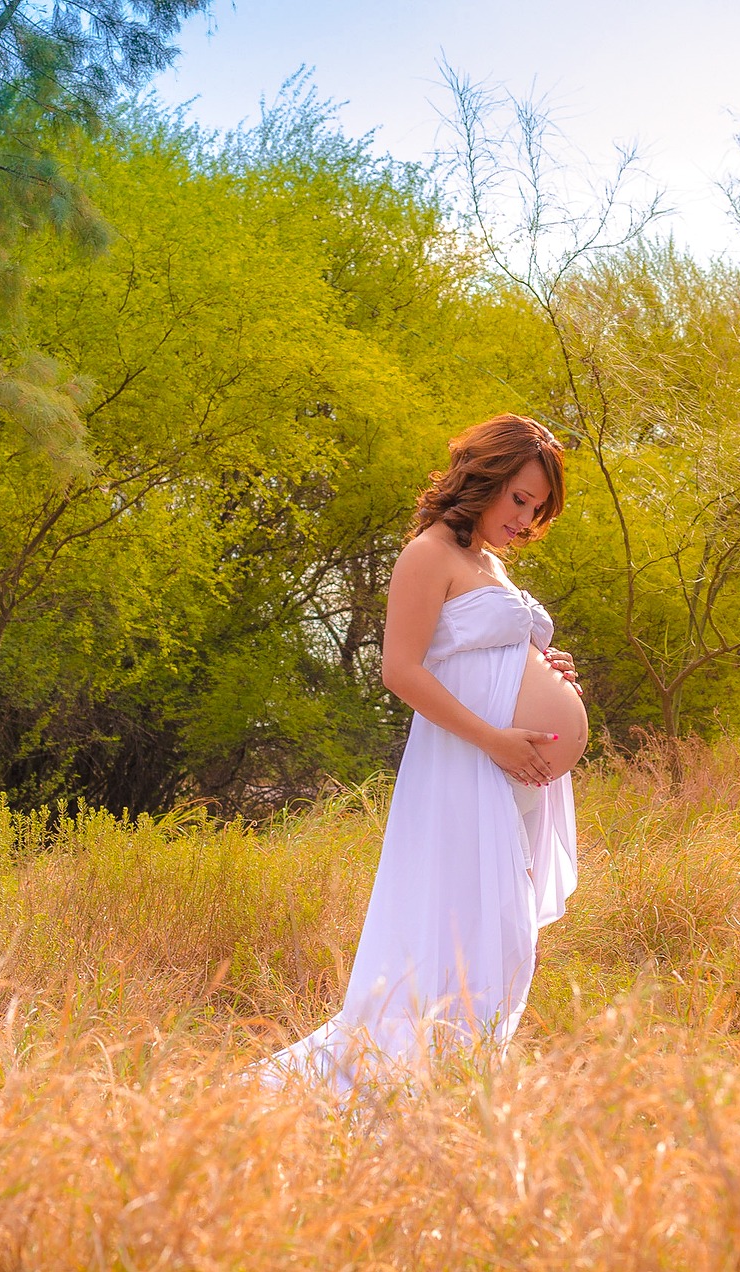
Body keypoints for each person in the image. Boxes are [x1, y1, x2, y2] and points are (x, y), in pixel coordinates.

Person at [263, 413, 586, 1092]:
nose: (526, 520)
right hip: (470, 762)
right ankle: (402, 1084)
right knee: (460, 928)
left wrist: (544, 663)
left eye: (539, 509)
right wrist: (496, 738)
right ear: (485, 477)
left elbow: (484, 651)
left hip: (515, 777)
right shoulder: (429, 554)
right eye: (519, 499)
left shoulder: (490, 564)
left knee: (506, 935)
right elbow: (402, 671)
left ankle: (461, 1083)